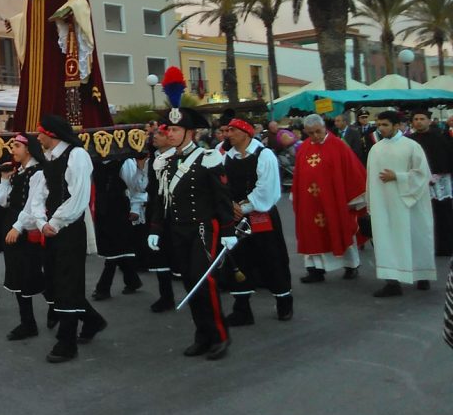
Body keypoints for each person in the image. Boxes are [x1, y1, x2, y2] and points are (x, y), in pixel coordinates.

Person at [147, 98, 234, 361]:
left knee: (203, 281)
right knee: (189, 282)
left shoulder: (208, 158)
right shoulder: (165, 162)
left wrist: (229, 231)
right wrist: (155, 228)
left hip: (202, 230)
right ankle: (202, 334)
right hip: (177, 231)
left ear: (190, 132)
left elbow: (222, 198)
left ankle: (219, 335)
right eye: (167, 130)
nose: (169, 134)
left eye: (174, 130)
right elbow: (161, 199)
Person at [6, 0, 113, 131]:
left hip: (54, 39)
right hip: (37, 44)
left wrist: (69, 11)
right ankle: (30, 130)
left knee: (55, 83)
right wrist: (16, 21)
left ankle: (54, 130)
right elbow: (29, 9)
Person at [34, 115, 108, 363]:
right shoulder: (49, 158)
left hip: (70, 228)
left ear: (52, 134)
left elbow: (79, 197)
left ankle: (67, 342)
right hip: (52, 228)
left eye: (41, 132)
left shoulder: (77, 155)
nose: (38, 137)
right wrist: (40, 221)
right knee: (53, 282)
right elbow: (41, 193)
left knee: (68, 283)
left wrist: (54, 222)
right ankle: (93, 320)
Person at [221, 117, 293, 324]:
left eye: (232, 130)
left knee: (271, 259)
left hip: (262, 216)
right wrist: (230, 205)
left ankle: (283, 302)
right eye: (227, 130)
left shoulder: (264, 155)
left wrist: (242, 207)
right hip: (237, 218)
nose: (228, 134)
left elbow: (267, 188)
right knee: (240, 260)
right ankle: (242, 309)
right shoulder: (228, 157)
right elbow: (223, 184)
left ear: (245, 132)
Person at [366, 110, 436, 297]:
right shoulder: (376, 149)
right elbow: (371, 179)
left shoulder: (411, 146)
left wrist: (398, 176)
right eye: (379, 125)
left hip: (410, 203)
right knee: (387, 240)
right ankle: (392, 282)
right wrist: (371, 202)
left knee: (415, 236)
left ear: (397, 126)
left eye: (385, 125)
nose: (381, 128)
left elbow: (422, 175)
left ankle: (422, 275)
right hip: (385, 204)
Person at [292, 113, 367, 282]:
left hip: (334, 200)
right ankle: (315, 270)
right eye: (311, 133)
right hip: (310, 202)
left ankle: (351, 265)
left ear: (324, 127)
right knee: (311, 234)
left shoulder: (338, 145)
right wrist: (296, 195)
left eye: (318, 131)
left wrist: (353, 200)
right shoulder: (303, 148)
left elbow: (353, 171)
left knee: (341, 229)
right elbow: (298, 175)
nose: (315, 136)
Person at [0, 133, 47, 340]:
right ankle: (28, 322)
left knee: (31, 274)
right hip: (13, 225)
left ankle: (43, 316)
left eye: (16, 146)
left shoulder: (38, 173)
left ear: (29, 148)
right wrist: (5, 179)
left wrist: (18, 227)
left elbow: (32, 205)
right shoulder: (19, 172)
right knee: (19, 274)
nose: (12, 149)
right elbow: (4, 201)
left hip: (26, 228)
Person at [91, 151, 147, 300]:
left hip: (119, 209)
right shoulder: (95, 162)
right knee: (117, 248)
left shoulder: (124, 162)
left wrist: (136, 208)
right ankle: (132, 280)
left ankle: (103, 288)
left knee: (114, 249)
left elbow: (135, 186)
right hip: (103, 210)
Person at [406, 108, 453, 257]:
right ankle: (425, 247)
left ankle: (445, 246)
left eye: (422, 119)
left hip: (439, 182)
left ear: (429, 120)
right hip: (418, 182)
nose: (419, 122)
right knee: (422, 215)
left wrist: (438, 174)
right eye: (416, 119)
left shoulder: (440, 137)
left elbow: (448, 157)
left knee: (442, 214)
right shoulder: (410, 140)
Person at [145, 124, 178, 313]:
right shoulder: (154, 158)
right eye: (155, 133)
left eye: (160, 133)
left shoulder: (178, 158)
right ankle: (166, 296)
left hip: (175, 214)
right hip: (157, 212)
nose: (154, 136)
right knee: (160, 255)